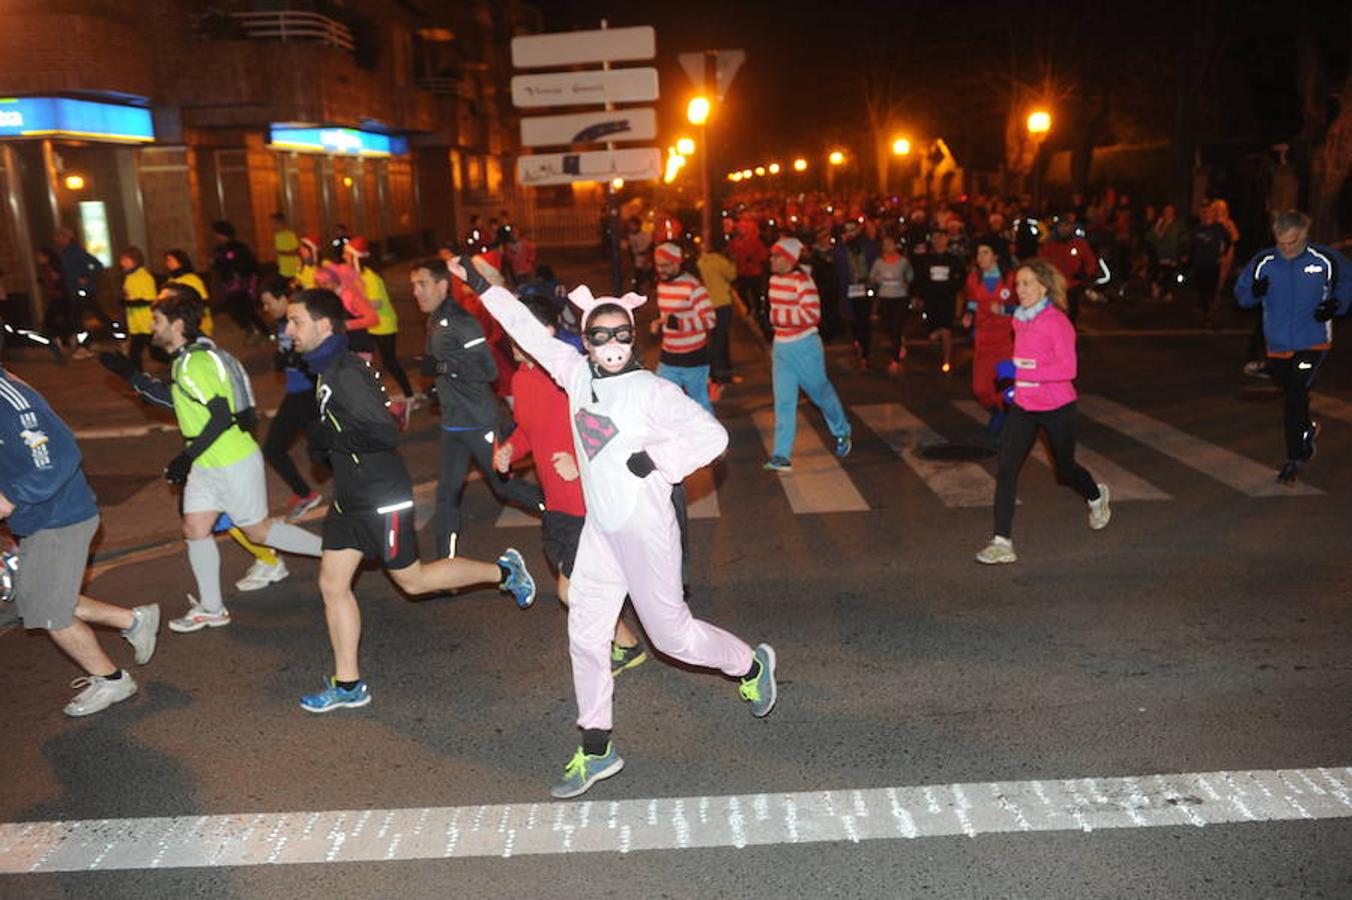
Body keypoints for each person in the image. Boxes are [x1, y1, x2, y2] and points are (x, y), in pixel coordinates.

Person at [462, 259, 778, 799]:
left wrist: (655, 459)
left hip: (647, 531)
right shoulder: (575, 372)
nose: (611, 342)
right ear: (584, 338)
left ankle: (749, 663)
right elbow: (527, 332)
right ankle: (596, 745)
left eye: (620, 334)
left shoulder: (652, 392)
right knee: (585, 632)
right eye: (600, 334)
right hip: (600, 532)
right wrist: (485, 291)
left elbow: (713, 437)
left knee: (671, 637)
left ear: (633, 337)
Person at [284, 287, 536, 712]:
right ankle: (348, 685)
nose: (289, 329)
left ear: (323, 325)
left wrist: (328, 435)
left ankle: (504, 571)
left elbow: (382, 430)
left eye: (296, 321)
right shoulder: (327, 368)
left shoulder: (345, 370)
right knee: (332, 583)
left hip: (382, 496)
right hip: (350, 496)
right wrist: (325, 442)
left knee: (413, 581)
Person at [98, 283, 324, 630]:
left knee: (259, 533)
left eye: (156, 320)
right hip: (208, 461)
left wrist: (185, 458)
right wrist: (131, 376)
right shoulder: (189, 359)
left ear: (176, 325)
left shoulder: (195, 362)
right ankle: (212, 608)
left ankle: (334, 552)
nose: (151, 327)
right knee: (195, 527)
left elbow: (221, 416)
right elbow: (177, 400)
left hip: (230, 459)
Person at [493, 295, 646, 675]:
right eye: (509, 338)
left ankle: (613, 651)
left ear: (544, 333)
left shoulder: (572, 377)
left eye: (519, 336)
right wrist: (511, 449)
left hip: (587, 502)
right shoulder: (522, 378)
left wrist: (579, 462)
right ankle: (625, 644)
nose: (512, 346)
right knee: (582, 585)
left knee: (571, 590)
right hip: (557, 502)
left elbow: (613, 431)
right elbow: (530, 430)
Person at [0, 359, 159, 716]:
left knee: (49, 612)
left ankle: (113, 679)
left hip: (60, 518)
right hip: (39, 516)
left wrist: (11, 498)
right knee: (39, 597)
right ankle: (132, 620)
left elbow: (57, 457)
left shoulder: (9, 399)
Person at [975, 259, 1111, 565]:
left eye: (1026, 284)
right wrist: (1012, 381)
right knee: (1007, 470)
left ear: (1043, 287)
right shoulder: (1019, 320)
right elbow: (1024, 361)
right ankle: (1002, 542)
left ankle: (1096, 495)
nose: (1019, 290)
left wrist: (1024, 370)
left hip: (1057, 407)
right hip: (1024, 407)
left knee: (1065, 471)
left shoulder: (1057, 322)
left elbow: (1068, 368)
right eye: (1017, 284)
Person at [413, 258, 544, 559]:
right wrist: (437, 386)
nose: (416, 291)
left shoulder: (461, 321)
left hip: (479, 421)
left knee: (505, 488)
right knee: (446, 494)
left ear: (442, 286)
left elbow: (488, 371)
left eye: (422, 284)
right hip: (453, 423)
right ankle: (445, 566)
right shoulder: (434, 320)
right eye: (414, 285)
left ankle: (562, 515)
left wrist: (444, 367)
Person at [1234, 209, 1352, 484]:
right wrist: (1254, 292)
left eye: (1293, 242)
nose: (1286, 248)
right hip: (1277, 344)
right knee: (1293, 392)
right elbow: (1241, 296)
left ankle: (1295, 458)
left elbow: (1348, 280)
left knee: (1295, 397)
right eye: (1281, 242)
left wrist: (1336, 304)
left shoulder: (1324, 259)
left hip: (1313, 340)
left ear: (1304, 236)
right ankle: (1307, 429)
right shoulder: (1264, 261)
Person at [763, 237, 852, 471]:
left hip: (804, 347)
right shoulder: (773, 280)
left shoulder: (804, 282)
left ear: (789, 258)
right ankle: (781, 455)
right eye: (771, 255)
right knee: (783, 401)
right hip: (781, 346)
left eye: (776, 255)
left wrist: (777, 318)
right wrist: (776, 323)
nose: (771, 259)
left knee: (820, 394)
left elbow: (812, 315)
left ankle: (842, 430)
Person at [257, 276, 324, 524]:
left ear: (283, 299)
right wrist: (282, 358)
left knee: (274, 448)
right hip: (300, 391)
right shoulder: (283, 323)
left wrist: (297, 359)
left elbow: (317, 349)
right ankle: (362, 487)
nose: (266, 308)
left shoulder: (298, 320)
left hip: (305, 393)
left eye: (268, 302)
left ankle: (305, 494)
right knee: (324, 448)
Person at [652, 243, 717, 412]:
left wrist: (678, 323)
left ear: (677, 263)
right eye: (657, 264)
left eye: (665, 265)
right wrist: (658, 323)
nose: (660, 270)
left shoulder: (693, 287)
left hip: (693, 358)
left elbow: (710, 320)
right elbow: (668, 316)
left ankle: (711, 437)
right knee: (663, 402)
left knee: (699, 403)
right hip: (668, 357)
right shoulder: (662, 285)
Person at [962, 240, 1018, 432]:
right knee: (980, 389)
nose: (980, 258)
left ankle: (1007, 419)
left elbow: (1025, 305)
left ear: (996, 256)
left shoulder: (1011, 279)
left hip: (1006, 341)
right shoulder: (973, 278)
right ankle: (998, 411)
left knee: (1007, 387)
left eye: (985, 253)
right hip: (983, 340)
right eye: (978, 254)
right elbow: (971, 301)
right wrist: (969, 314)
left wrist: (1005, 308)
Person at [53, 227, 114, 356]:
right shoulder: (64, 253)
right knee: (95, 315)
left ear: (66, 238)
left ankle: (86, 345)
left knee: (78, 317)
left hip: (83, 290)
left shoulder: (75, 251)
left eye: (59, 236)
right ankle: (116, 335)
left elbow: (97, 264)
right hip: (75, 290)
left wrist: (87, 278)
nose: (56, 239)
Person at [912, 231, 966, 374]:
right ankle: (935, 345)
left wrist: (954, 290)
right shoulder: (926, 259)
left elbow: (961, 279)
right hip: (931, 300)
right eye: (935, 238)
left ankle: (947, 360)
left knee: (946, 329)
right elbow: (920, 279)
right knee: (933, 331)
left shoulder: (953, 259)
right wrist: (919, 297)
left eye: (941, 238)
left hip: (947, 299)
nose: (938, 241)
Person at [210, 220, 270, 340]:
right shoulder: (220, 249)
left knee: (243, 308)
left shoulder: (237, 247)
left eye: (217, 234)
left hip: (240, 283)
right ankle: (257, 330)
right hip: (230, 284)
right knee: (238, 308)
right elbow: (219, 265)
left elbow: (249, 263)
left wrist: (248, 279)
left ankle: (263, 331)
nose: (216, 237)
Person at [834, 220, 880, 369]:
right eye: (847, 230)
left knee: (864, 320)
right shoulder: (841, 248)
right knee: (852, 318)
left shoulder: (868, 245)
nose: (850, 233)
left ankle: (865, 353)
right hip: (849, 287)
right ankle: (857, 342)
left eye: (853, 230)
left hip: (865, 286)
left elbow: (875, 262)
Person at [697, 236, 739, 389]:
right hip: (722, 303)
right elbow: (732, 275)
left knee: (716, 337)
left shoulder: (701, 261)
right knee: (720, 339)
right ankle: (715, 373)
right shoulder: (719, 261)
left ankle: (725, 367)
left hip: (708, 303)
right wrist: (732, 261)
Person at [869, 234, 915, 376]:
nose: (887, 247)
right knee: (888, 326)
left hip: (899, 297)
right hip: (884, 297)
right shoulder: (878, 262)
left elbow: (910, 277)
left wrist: (905, 284)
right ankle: (899, 341)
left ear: (895, 245)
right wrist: (877, 280)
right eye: (885, 244)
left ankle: (895, 360)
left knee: (896, 326)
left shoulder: (903, 262)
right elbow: (872, 277)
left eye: (890, 244)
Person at [1041, 215, 1098, 321]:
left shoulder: (1079, 244)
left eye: (1066, 226)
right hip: (1055, 285)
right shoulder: (1049, 246)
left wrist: (1085, 273)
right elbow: (1041, 264)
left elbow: (1090, 261)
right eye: (1061, 226)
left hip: (1073, 284)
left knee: (1071, 313)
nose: (1063, 229)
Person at [1189, 203, 1231, 330]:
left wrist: (1223, 254)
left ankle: (1209, 313)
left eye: (1211, 212)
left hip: (1213, 262)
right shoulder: (1198, 229)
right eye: (1206, 213)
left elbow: (1228, 240)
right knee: (1201, 289)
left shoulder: (1219, 228)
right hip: (1200, 262)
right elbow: (1192, 245)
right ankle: (1205, 310)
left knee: (1211, 288)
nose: (1208, 215)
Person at [117, 247, 156, 371]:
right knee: (155, 353)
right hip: (136, 323)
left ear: (134, 260)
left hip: (146, 322)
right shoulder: (130, 276)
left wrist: (128, 303)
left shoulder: (144, 277)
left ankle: (139, 381)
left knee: (135, 353)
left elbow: (150, 299)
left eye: (125, 259)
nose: (121, 262)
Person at [164, 250, 214, 337]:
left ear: (180, 262)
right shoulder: (172, 280)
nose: (167, 263)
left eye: (170, 260)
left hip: (196, 324)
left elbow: (203, 301)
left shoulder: (192, 279)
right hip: (180, 323)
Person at [1144, 204, 1187, 301]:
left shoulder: (1178, 225)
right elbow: (1150, 238)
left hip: (1171, 253)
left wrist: (1183, 252)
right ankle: (1158, 288)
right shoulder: (1159, 224)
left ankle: (1168, 291)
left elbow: (1183, 239)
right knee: (1157, 272)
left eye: (1170, 211)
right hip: (1159, 254)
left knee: (1169, 273)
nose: (1168, 213)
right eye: (1166, 211)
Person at [271, 212, 300, 280]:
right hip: (283, 268)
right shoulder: (277, 235)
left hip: (292, 268)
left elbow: (295, 251)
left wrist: (280, 252)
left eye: (274, 223)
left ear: (281, 223)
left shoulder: (290, 235)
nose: (272, 226)